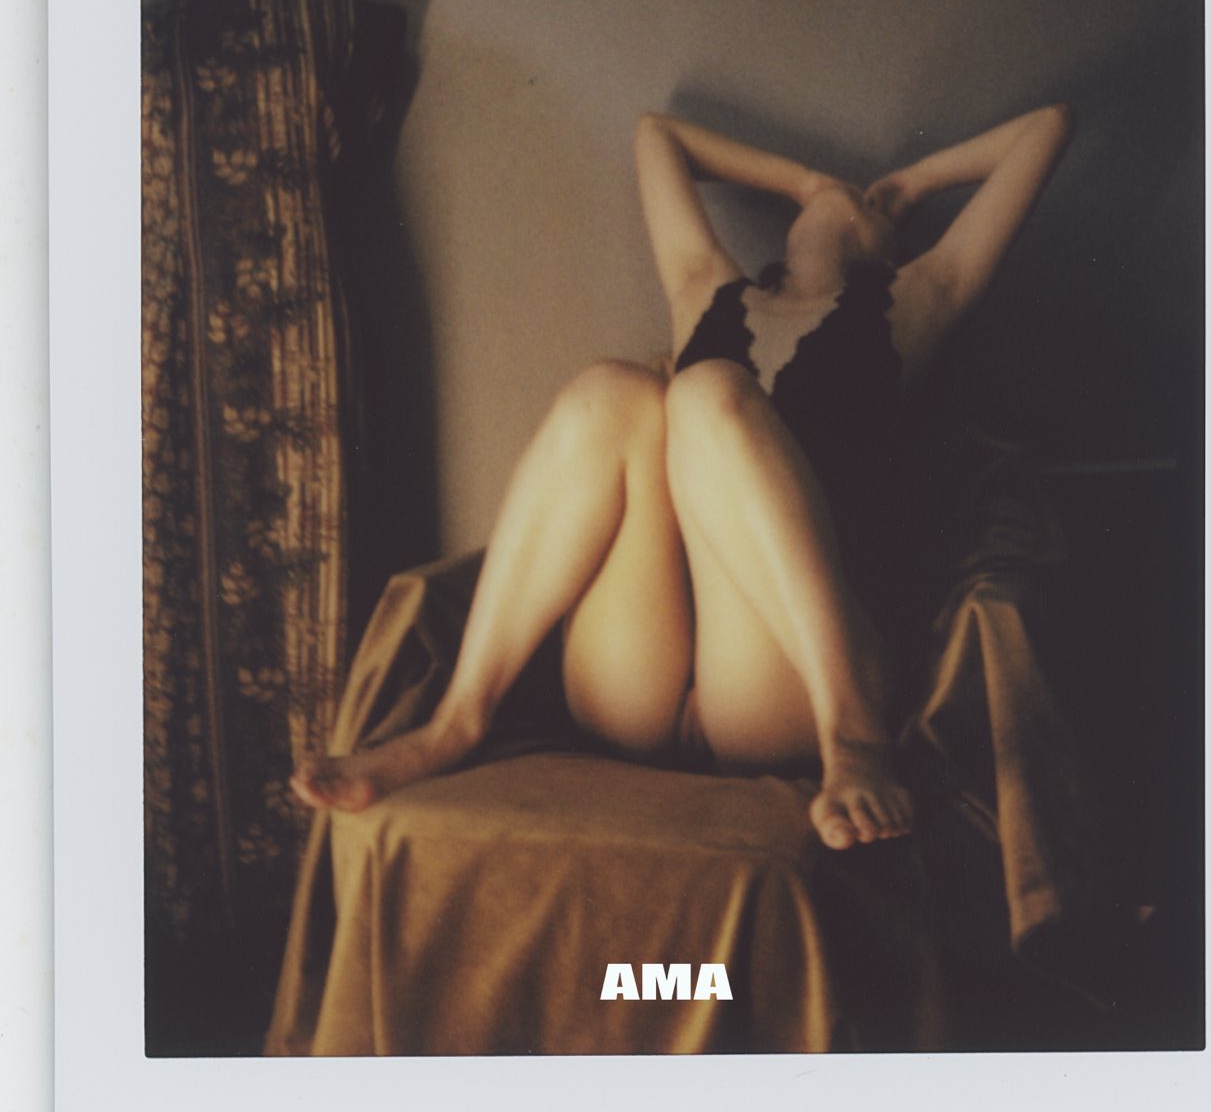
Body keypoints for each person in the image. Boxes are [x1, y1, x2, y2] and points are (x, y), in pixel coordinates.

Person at [292, 101, 1073, 850]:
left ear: (888, 244)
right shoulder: (705, 290)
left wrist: (906, 185)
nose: (847, 198)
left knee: (704, 392)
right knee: (613, 391)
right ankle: (456, 722)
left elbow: (1045, 129)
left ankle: (854, 730)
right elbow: (657, 136)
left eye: (865, 206)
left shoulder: (915, 300)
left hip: (781, 685)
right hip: (638, 684)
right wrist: (810, 183)